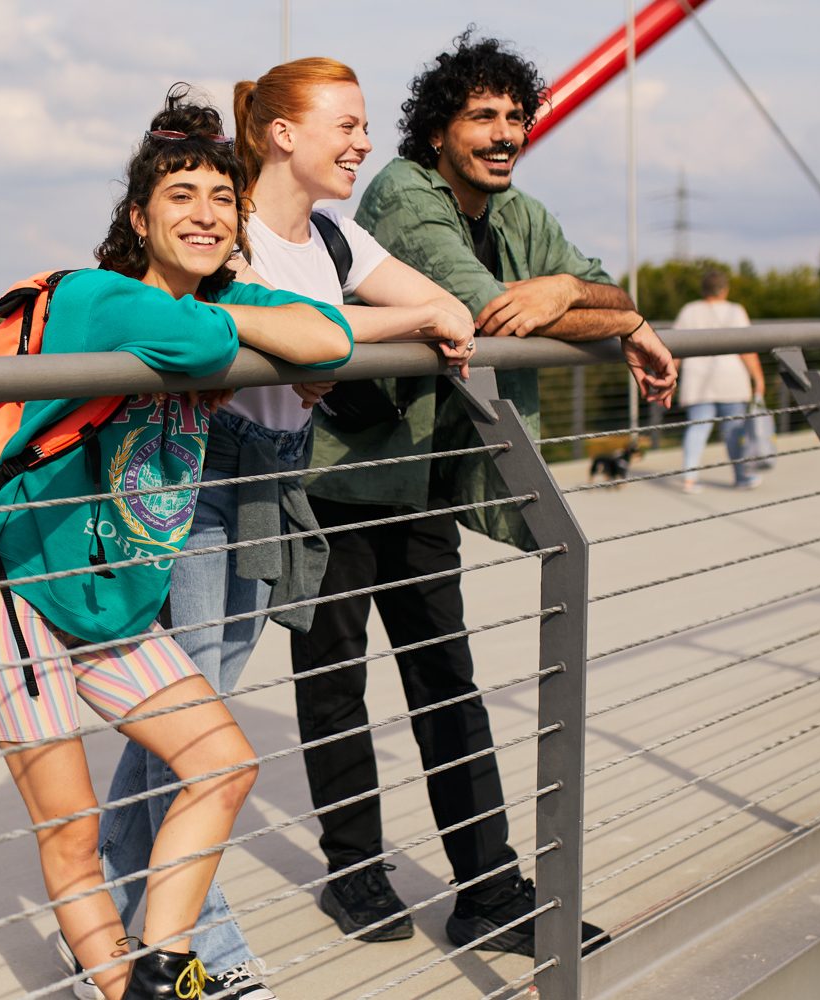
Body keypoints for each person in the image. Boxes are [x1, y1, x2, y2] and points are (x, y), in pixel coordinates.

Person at [0, 87, 353, 1000]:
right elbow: (189, 339)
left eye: (223, 199)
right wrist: (239, 329)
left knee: (223, 762)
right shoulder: (95, 296)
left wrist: (238, 321)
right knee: (71, 831)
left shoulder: (218, 299)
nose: (206, 215)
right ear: (139, 219)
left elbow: (323, 336)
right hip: (23, 592)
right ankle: (122, 986)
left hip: (116, 604)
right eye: (182, 197)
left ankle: (162, 964)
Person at [290, 29, 677, 957]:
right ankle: (356, 873)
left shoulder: (517, 214)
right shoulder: (402, 196)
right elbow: (472, 308)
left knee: (445, 679)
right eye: (482, 117)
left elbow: (595, 288)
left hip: (423, 479)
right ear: (437, 132)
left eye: (515, 117)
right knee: (335, 685)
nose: (504, 134)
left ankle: (488, 891)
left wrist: (573, 296)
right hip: (340, 475)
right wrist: (588, 306)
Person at [95, 58, 474, 999]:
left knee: (188, 706)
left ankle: (119, 897)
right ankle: (194, 944)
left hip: (272, 473)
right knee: (193, 716)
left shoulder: (335, 237)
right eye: (345, 125)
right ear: (281, 134)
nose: (363, 142)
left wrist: (399, 316)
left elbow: (413, 309)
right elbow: (298, 330)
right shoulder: (232, 234)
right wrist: (372, 328)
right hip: (201, 469)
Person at [674, 269, 764, 493]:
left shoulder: (689, 311)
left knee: (697, 429)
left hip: (698, 381)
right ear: (725, 289)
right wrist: (758, 379)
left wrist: (669, 376)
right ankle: (743, 477)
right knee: (734, 431)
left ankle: (690, 478)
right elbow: (747, 349)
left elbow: (675, 348)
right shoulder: (736, 311)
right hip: (731, 381)